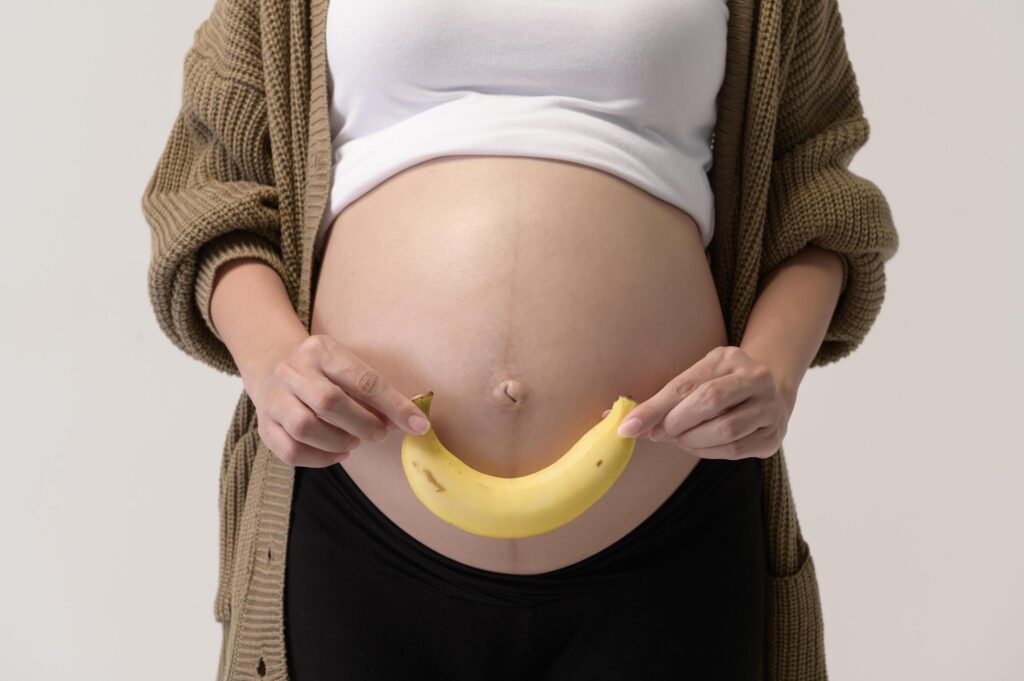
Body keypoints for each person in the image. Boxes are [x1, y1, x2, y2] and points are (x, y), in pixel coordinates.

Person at [141, 0, 899, 679]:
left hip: (670, 535)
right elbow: (214, 184)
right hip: (357, 529)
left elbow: (816, 189)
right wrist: (271, 359)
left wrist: (775, 367)